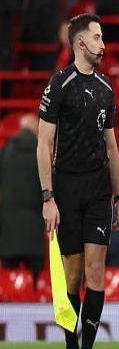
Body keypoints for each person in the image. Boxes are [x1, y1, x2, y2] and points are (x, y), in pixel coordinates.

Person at [37, 13, 119, 349]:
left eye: (102, 37)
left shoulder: (106, 88)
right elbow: (43, 144)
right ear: (80, 43)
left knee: (96, 272)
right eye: (97, 37)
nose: (103, 44)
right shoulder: (59, 84)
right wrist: (48, 198)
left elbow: (112, 146)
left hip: (98, 189)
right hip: (66, 187)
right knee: (73, 276)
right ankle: (72, 348)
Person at [0, 115, 45, 278]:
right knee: (36, 283)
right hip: (33, 230)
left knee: (8, 282)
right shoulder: (40, 155)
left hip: (8, 231)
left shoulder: (5, 152)